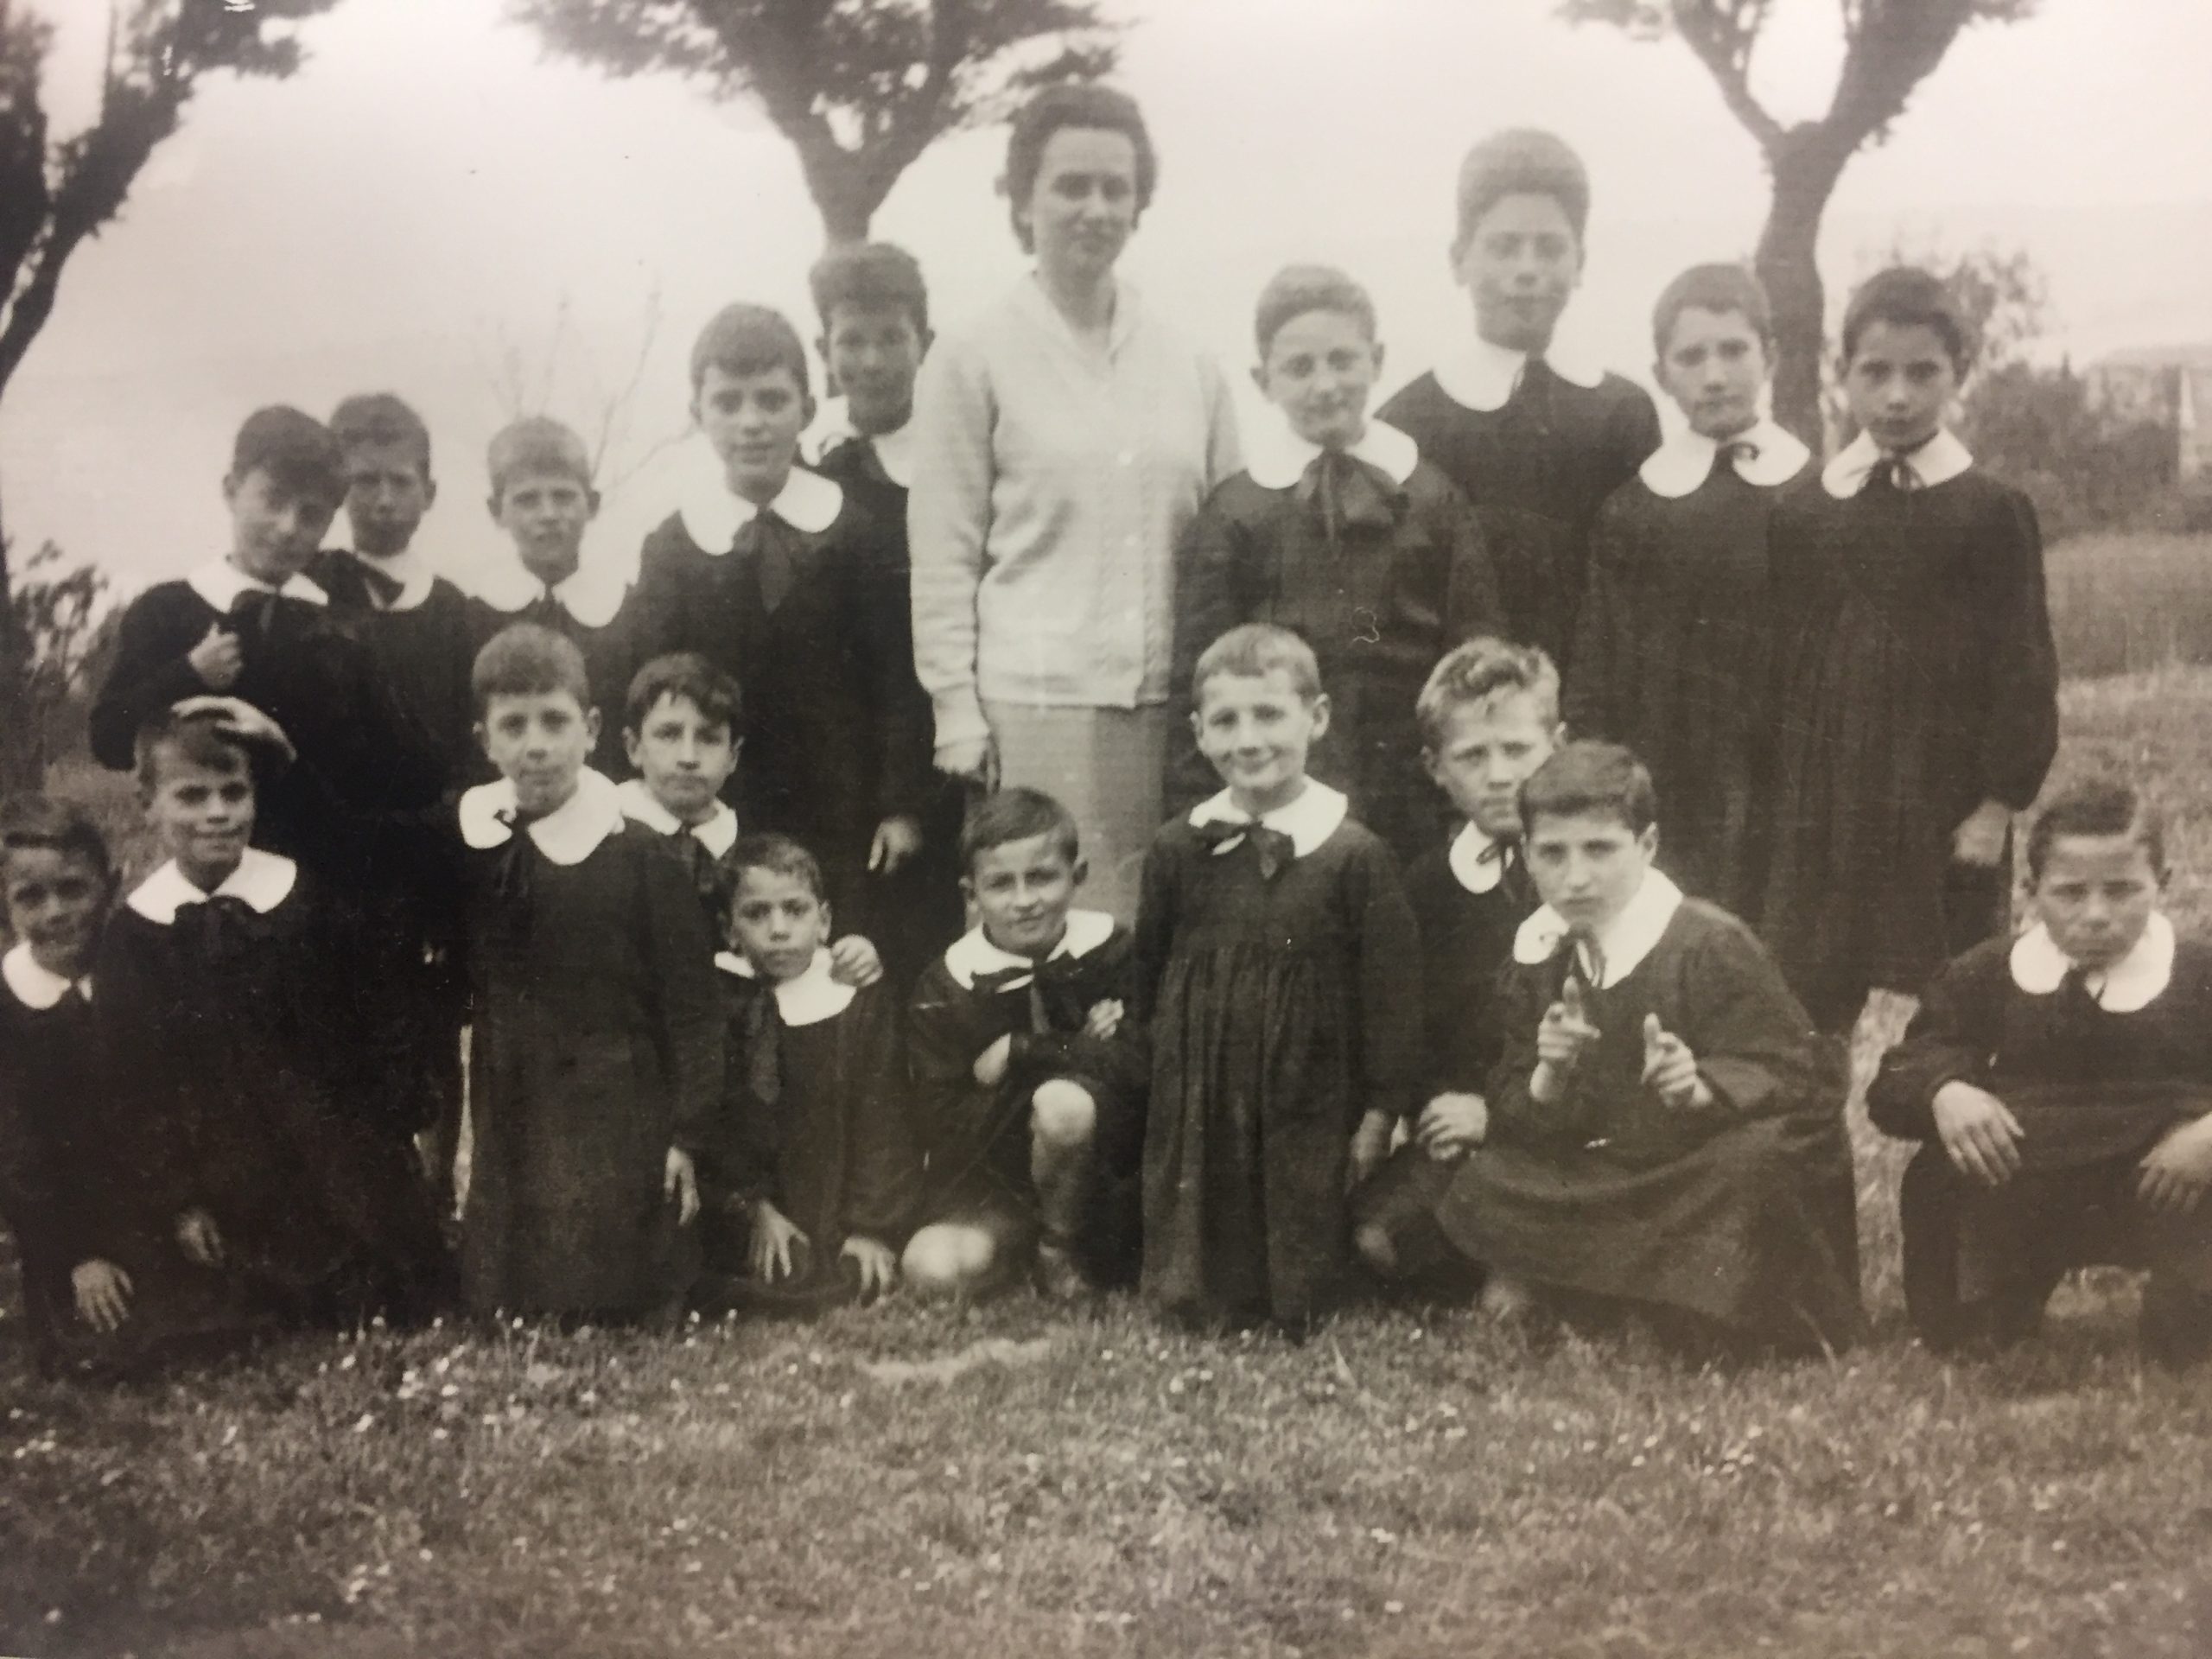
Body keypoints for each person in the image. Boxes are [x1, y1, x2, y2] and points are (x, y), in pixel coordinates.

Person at [909, 81, 1241, 918]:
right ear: (1024, 201)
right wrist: (956, 711)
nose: (1095, 209)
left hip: (1172, 716)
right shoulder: (972, 354)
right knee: (1040, 934)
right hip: (1031, 712)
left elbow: (1230, 540)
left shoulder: (1190, 362)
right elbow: (943, 551)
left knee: (1157, 932)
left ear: (1138, 204)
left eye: (1115, 188)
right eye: (1070, 186)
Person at [1437, 742, 1860, 1356]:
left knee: (1751, 1170)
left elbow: (1802, 1076)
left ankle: (1631, 1299)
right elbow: (1519, 1112)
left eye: (1600, 850)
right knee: (1491, 1173)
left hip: (1696, 1163)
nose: (1576, 877)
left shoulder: (1706, 943)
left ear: (1648, 845)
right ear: (1526, 855)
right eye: (1553, 853)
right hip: (1613, 1166)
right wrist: (1550, 1072)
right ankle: (1622, 1293)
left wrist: (1701, 1086)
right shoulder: (1541, 950)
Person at [1762, 267, 2060, 1032]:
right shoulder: (1805, 508)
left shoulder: (1991, 510)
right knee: (1813, 988)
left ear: (1959, 372)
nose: (1897, 396)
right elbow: (1785, 663)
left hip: (1942, 797)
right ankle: (1814, 1109)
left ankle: (1949, 1102)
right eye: (1876, 372)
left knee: (1958, 984)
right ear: (1843, 375)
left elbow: (2023, 667)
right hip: (1829, 796)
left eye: (1922, 373)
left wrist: (1995, 806)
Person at [97, 703, 448, 1336]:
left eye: (234, 792)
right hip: (220, 1169)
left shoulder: (303, 898)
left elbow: (370, 1020)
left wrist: (389, 1124)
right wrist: (179, 1200)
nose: (217, 813)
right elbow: (135, 1085)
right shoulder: (134, 936)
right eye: (192, 796)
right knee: (209, 1311)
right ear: (148, 804)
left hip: (326, 1157)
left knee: (380, 1278)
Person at [629, 303, 937, 979]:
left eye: (771, 400)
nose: (751, 422)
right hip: (719, 805)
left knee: (840, 971)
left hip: (845, 810)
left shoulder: (856, 531)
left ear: (807, 406)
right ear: (698, 412)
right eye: (728, 402)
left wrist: (901, 805)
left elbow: (898, 676)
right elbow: (653, 689)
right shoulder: (674, 547)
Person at [1135, 625, 1421, 1331]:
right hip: (1203, 1081)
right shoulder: (1177, 847)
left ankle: (1295, 1290)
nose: (1248, 739)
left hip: (1309, 1089)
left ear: (1316, 718)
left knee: (1303, 1202)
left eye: (1269, 715)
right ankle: (1199, 1286)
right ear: (1198, 734)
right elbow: (1151, 970)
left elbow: (1390, 996)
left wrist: (1381, 1111)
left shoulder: (1353, 853)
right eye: (1225, 721)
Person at [1869, 781, 2212, 1368]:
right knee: (1944, 1178)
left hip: (2171, 1179)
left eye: (2122, 890)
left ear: (2164, 884)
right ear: (2031, 893)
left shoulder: (2198, 973)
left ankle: (2186, 1307)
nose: (2096, 915)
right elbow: (1907, 1066)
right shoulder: (1991, 971)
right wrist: (1945, 1089)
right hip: (2031, 1180)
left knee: (2191, 1344)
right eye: (2071, 893)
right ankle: (1989, 1308)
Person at [1169, 264, 1500, 863]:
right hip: (1279, 793)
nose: (1325, 385)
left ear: (1376, 360)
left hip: (1414, 792)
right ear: (1263, 380)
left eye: (1343, 361)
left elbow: (1475, 653)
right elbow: (1198, 681)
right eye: (1299, 368)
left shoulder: (1431, 498)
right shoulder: (1237, 513)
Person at [450, 625, 721, 1323]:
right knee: (502, 1294)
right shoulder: (479, 847)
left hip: (617, 1104)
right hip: (516, 1097)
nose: (536, 745)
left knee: (600, 1294)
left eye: (555, 722)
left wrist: (686, 1137)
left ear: (592, 730)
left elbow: (693, 1010)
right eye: (513, 726)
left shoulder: (642, 858)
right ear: (484, 740)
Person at [88, 405, 443, 875]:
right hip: (208, 875)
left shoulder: (343, 625)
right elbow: (109, 738)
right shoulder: (169, 610)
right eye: (273, 501)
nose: (288, 527)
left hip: (321, 874)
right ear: (231, 490)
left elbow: (414, 771)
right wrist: (189, 674)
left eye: (311, 515)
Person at [1565, 264, 1811, 917]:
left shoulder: (1814, 494)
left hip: (1792, 770)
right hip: (1676, 771)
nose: (1715, 375)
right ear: (1662, 373)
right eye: (1691, 357)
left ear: (1770, 357)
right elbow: (1600, 659)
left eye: (1734, 351)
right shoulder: (1634, 510)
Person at [1376, 129, 1660, 671]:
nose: (1527, 269)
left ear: (1580, 262)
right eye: (1504, 247)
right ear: (1459, 259)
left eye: (1550, 248)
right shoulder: (1408, 421)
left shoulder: (1623, 412)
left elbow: (1640, 594)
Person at [1351, 638, 1560, 1290]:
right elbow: (1409, 1028)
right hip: (1466, 1128)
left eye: (1517, 750)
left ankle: (1537, 1263)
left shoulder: (1593, 874)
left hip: (1570, 1122)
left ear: (1557, 744)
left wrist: (1501, 1112)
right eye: (1472, 756)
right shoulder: (1425, 888)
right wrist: (1437, 1105)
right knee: (1375, 1241)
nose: (1499, 775)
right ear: (1435, 768)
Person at [902, 788, 1148, 1300]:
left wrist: (1022, 1050)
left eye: (1041, 877)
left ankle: (1061, 1248)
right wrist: (1082, 1050)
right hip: (997, 1183)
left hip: (1103, 1175)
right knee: (932, 1267)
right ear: (971, 894)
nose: (1024, 901)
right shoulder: (947, 984)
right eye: (1000, 884)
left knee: (1063, 1105)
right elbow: (942, 1123)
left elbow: (1143, 1069)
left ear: (1077, 875)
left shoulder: (1114, 952)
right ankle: (1022, 1247)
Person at [807, 241, 968, 982]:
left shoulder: (954, 459)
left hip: (938, 747)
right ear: (823, 350)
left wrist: (908, 797)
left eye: (891, 339)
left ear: (923, 343)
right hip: (845, 760)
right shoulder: (816, 470)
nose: (870, 361)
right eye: (851, 341)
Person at [696, 834, 920, 1313]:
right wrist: (753, 1206)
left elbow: (884, 1122)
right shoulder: (720, 1003)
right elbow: (720, 1124)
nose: (778, 929)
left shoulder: (857, 1002)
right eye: (757, 914)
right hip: (760, 1205)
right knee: (767, 1274)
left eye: (795, 910)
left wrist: (870, 1228)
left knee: (845, 1273)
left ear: (824, 922)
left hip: (841, 1207)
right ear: (730, 930)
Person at [614, 652, 886, 987]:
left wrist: (850, 956)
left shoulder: (753, 845)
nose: (688, 757)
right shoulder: (606, 832)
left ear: (733, 756)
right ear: (634, 747)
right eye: (669, 734)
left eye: (709, 738)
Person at [314, 391, 480, 783]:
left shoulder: (454, 610)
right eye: (366, 481)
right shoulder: (309, 587)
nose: (385, 500)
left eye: (401, 481)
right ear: (338, 490)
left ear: (429, 494)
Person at [467, 416, 636, 777]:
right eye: (527, 500)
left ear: (592, 504)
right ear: (496, 511)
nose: (548, 514)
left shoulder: (630, 611)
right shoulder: (471, 617)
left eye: (563, 496)